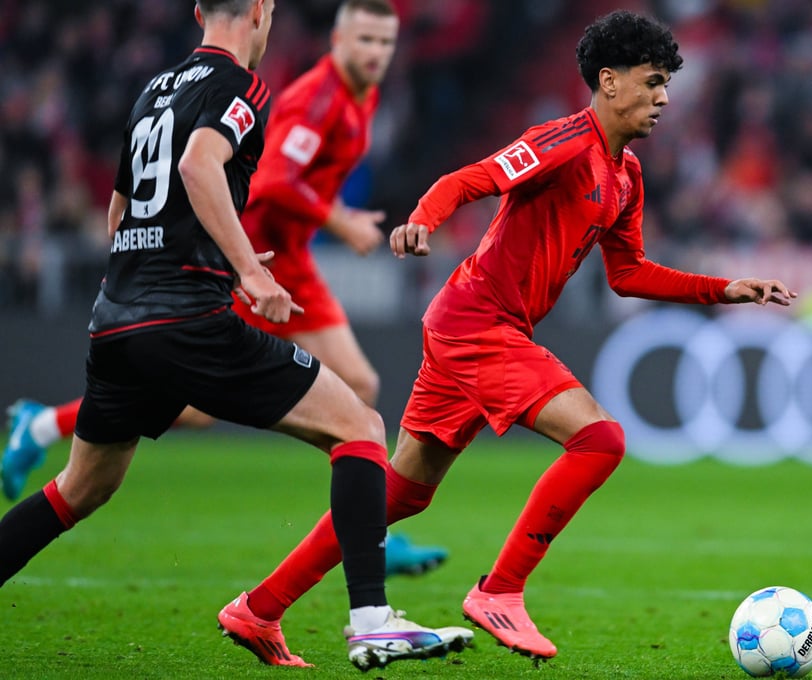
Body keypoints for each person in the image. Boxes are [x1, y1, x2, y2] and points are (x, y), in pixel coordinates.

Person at [216, 8, 798, 663]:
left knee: (401, 493)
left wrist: (723, 289)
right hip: (477, 323)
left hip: (475, 325)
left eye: (667, 84)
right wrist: (423, 218)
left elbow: (629, 273)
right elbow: (470, 179)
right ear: (609, 81)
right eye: (653, 81)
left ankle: (259, 608)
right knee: (600, 440)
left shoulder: (626, 176)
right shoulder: (564, 141)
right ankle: (500, 590)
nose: (664, 98)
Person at [0, 0, 471, 671]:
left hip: (118, 316)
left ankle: (44, 430)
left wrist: (154, 276)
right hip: (188, 316)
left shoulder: (155, 90)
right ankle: (371, 623)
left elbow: (118, 210)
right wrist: (248, 270)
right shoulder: (242, 85)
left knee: (80, 489)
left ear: (198, 10)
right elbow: (199, 164)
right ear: (258, 11)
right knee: (361, 428)